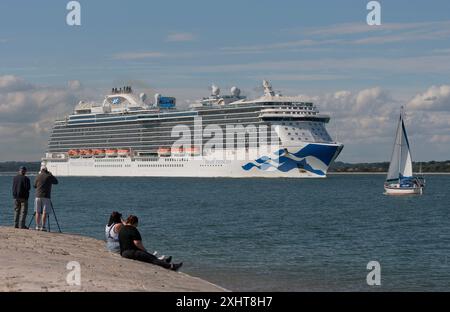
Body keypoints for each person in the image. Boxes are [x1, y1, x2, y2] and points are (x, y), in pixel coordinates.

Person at [33, 165, 58, 231]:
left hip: (38, 196)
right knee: (44, 212)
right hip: (46, 196)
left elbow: (34, 186)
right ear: (46, 170)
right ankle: (43, 227)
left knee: (37, 211)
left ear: (41, 170)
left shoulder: (38, 176)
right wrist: (51, 174)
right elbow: (56, 182)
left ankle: (37, 226)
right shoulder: (49, 176)